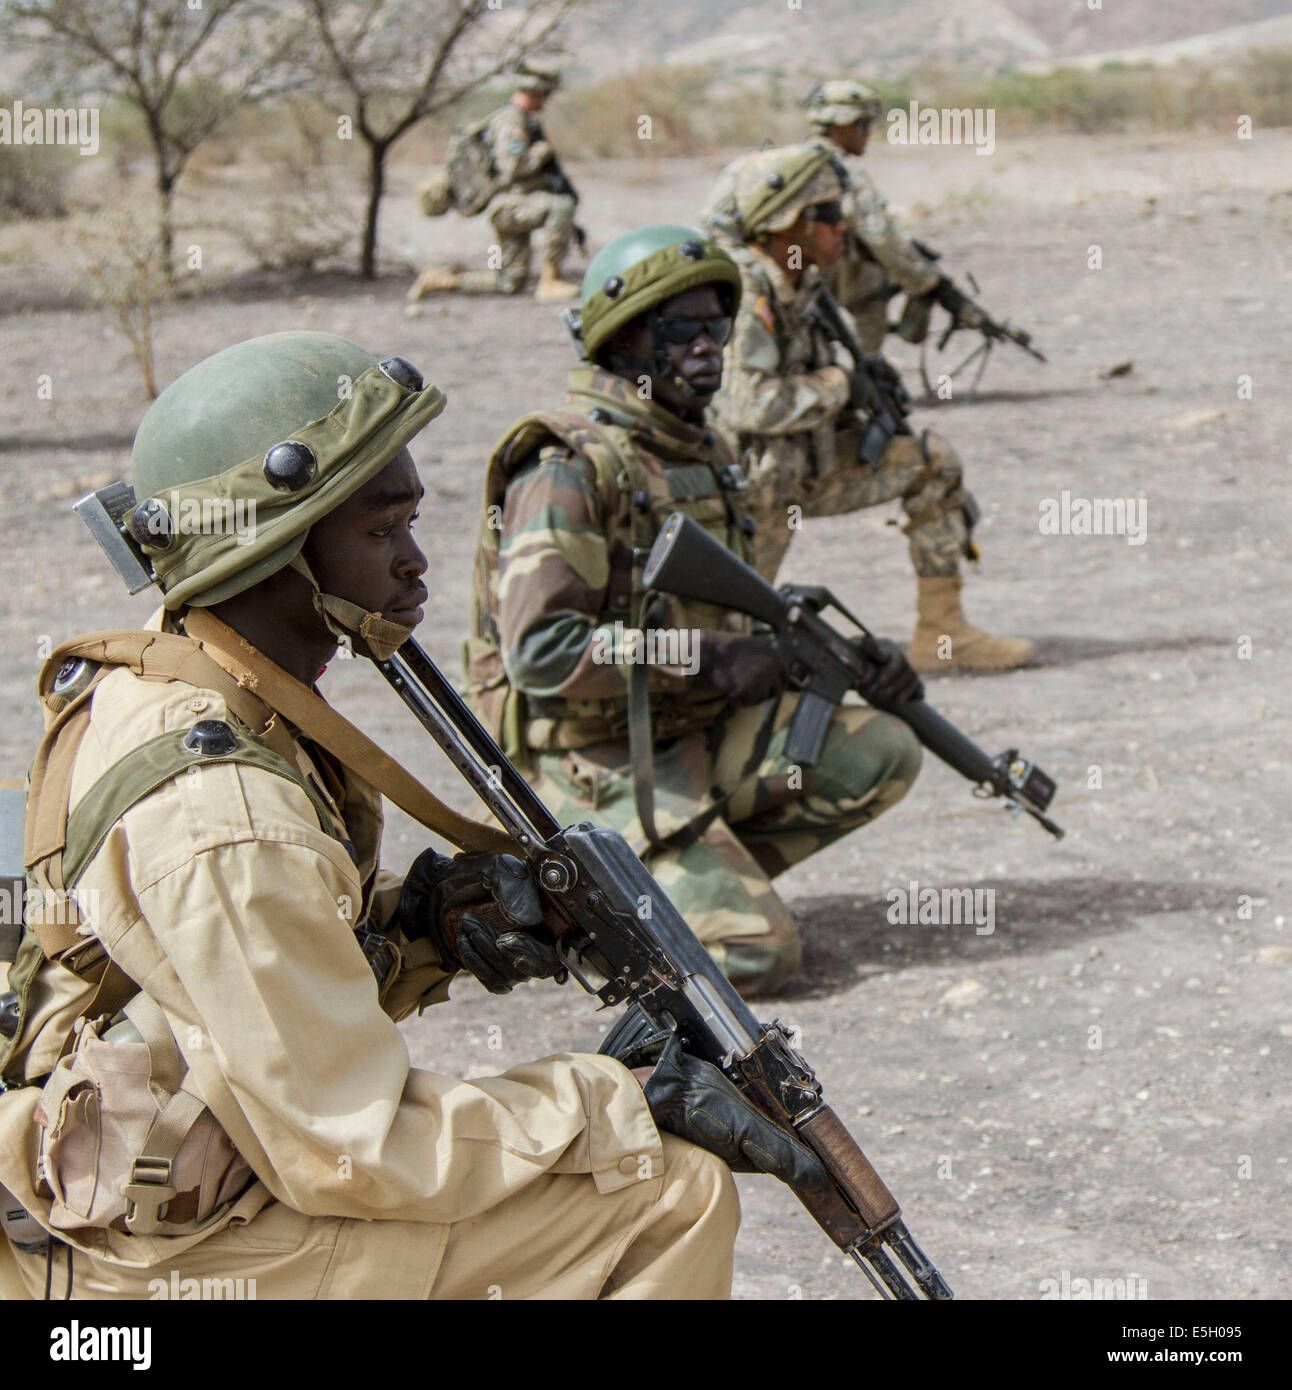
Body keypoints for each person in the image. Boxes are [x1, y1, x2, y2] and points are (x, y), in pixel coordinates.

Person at [0, 331, 827, 1301]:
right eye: (381, 531)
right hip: (138, 1253)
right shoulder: (225, 816)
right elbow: (357, 1151)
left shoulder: (190, 673)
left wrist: (424, 925)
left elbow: (245, 973)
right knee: (666, 1191)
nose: (415, 560)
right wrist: (623, 1101)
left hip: (168, 1156)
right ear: (273, 546)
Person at [464, 226, 924, 997]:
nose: (709, 348)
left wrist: (841, 659)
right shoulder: (571, 466)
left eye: (718, 328)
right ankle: (585, 907)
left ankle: (678, 878)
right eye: (683, 331)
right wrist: (705, 657)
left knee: (882, 748)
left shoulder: (699, 453)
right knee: (756, 958)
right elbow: (541, 653)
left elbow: (737, 617)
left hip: (679, 735)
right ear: (624, 341)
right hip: (587, 762)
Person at [703, 142, 1033, 672]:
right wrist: (840, 384)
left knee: (931, 462)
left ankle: (942, 633)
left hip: (799, 466)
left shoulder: (802, 281)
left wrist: (860, 398)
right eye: (829, 215)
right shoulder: (746, 289)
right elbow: (751, 406)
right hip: (748, 488)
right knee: (728, 648)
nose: (843, 229)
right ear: (788, 221)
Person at [408, 59, 581, 305]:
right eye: (546, 94)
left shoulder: (521, 120)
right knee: (560, 207)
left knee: (509, 282)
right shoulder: (512, 121)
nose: (547, 100)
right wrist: (541, 152)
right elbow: (512, 167)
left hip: (508, 204)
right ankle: (550, 280)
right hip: (508, 204)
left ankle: (440, 280)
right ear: (535, 91)